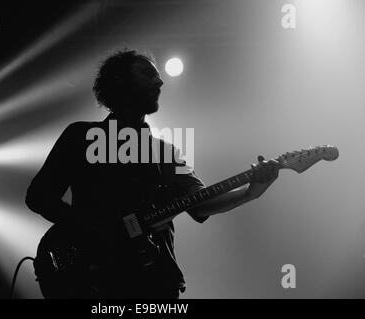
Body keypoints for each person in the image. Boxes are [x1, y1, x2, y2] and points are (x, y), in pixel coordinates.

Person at [25, 49, 279, 299]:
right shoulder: (80, 137)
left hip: (153, 279)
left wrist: (249, 192)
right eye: (147, 73)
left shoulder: (166, 151)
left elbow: (199, 204)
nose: (160, 81)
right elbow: (38, 196)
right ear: (120, 81)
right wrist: (93, 228)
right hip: (91, 277)